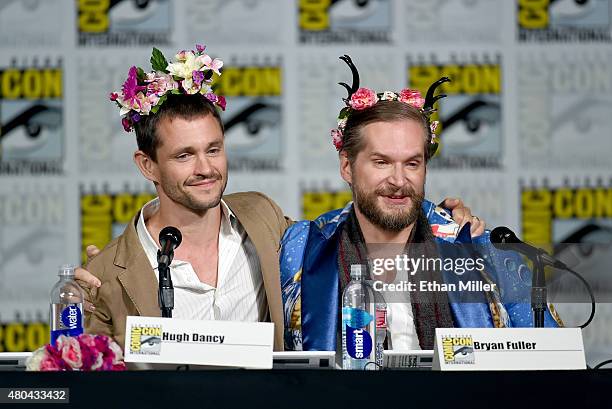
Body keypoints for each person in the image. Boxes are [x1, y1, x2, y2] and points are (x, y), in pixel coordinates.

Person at [77, 46, 483, 352]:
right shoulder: (104, 276)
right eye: (184, 155)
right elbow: (85, 378)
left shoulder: (268, 223)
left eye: (213, 149)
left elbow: (354, 228)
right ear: (148, 166)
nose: (205, 168)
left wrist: (441, 218)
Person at [280, 55, 562, 352]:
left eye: (412, 163)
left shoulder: (482, 250)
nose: (399, 180)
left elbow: (553, 359)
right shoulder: (304, 247)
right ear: (347, 166)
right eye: (381, 162)